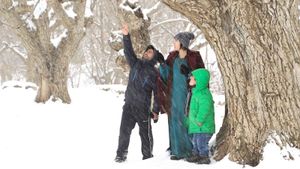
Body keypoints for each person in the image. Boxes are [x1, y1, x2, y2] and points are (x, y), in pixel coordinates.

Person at [115, 24, 161, 163]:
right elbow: (128, 51)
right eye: (146, 52)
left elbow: (157, 94)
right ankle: (120, 155)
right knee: (124, 132)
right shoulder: (135, 63)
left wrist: (155, 110)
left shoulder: (154, 73)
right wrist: (126, 36)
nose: (147, 53)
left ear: (154, 57)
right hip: (129, 105)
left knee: (145, 134)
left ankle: (148, 157)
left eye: (150, 53)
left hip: (142, 108)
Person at [157, 32, 205, 160]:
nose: (174, 43)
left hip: (188, 95)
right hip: (173, 96)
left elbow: (202, 76)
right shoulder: (172, 57)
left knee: (188, 121)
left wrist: (189, 73)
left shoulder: (194, 57)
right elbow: (165, 76)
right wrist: (162, 64)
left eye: (176, 41)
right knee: (175, 122)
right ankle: (177, 151)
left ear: (182, 42)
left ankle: (191, 151)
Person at [185, 68, 215, 164]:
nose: (190, 80)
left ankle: (204, 156)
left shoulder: (204, 94)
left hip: (203, 126)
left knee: (201, 142)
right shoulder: (195, 92)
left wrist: (199, 120)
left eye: (192, 79)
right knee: (195, 142)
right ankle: (196, 154)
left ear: (198, 81)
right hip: (197, 126)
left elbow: (204, 109)